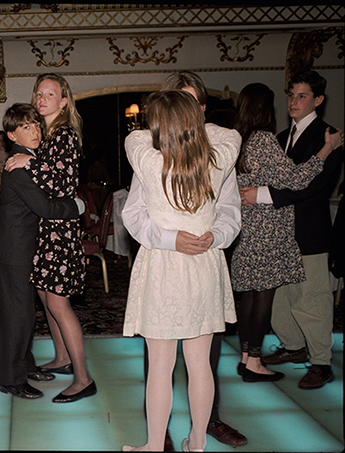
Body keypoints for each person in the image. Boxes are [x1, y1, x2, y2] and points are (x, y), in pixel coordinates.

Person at [124, 71, 247, 449]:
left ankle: (153, 446)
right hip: (199, 267)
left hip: (167, 268)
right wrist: (192, 125)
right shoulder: (220, 156)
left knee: (165, 366)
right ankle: (196, 443)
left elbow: (231, 212)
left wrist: (219, 235)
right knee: (198, 366)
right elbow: (133, 215)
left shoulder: (146, 154)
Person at [240, 70, 344, 389]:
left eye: (302, 95)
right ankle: (293, 347)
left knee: (311, 300)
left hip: (309, 231)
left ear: (318, 100)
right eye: (291, 95)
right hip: (277, 235)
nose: (294, 101)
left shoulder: (329, 137)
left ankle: (321, 363)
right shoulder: (279, 135)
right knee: (281, 301)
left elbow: (315, 186)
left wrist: (264, 195)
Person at [5, 73, 94, 403]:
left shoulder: (65, 135)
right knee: (45, 297)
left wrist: (31, 162)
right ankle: (62, 357)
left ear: (64, 101)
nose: (41, 98)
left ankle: (83, 378)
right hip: (46, 229)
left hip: (58, 229)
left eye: (50, 94)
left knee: (58, 301)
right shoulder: (48, 135)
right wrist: (35, 159)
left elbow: (59, 184)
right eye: (38, 93)